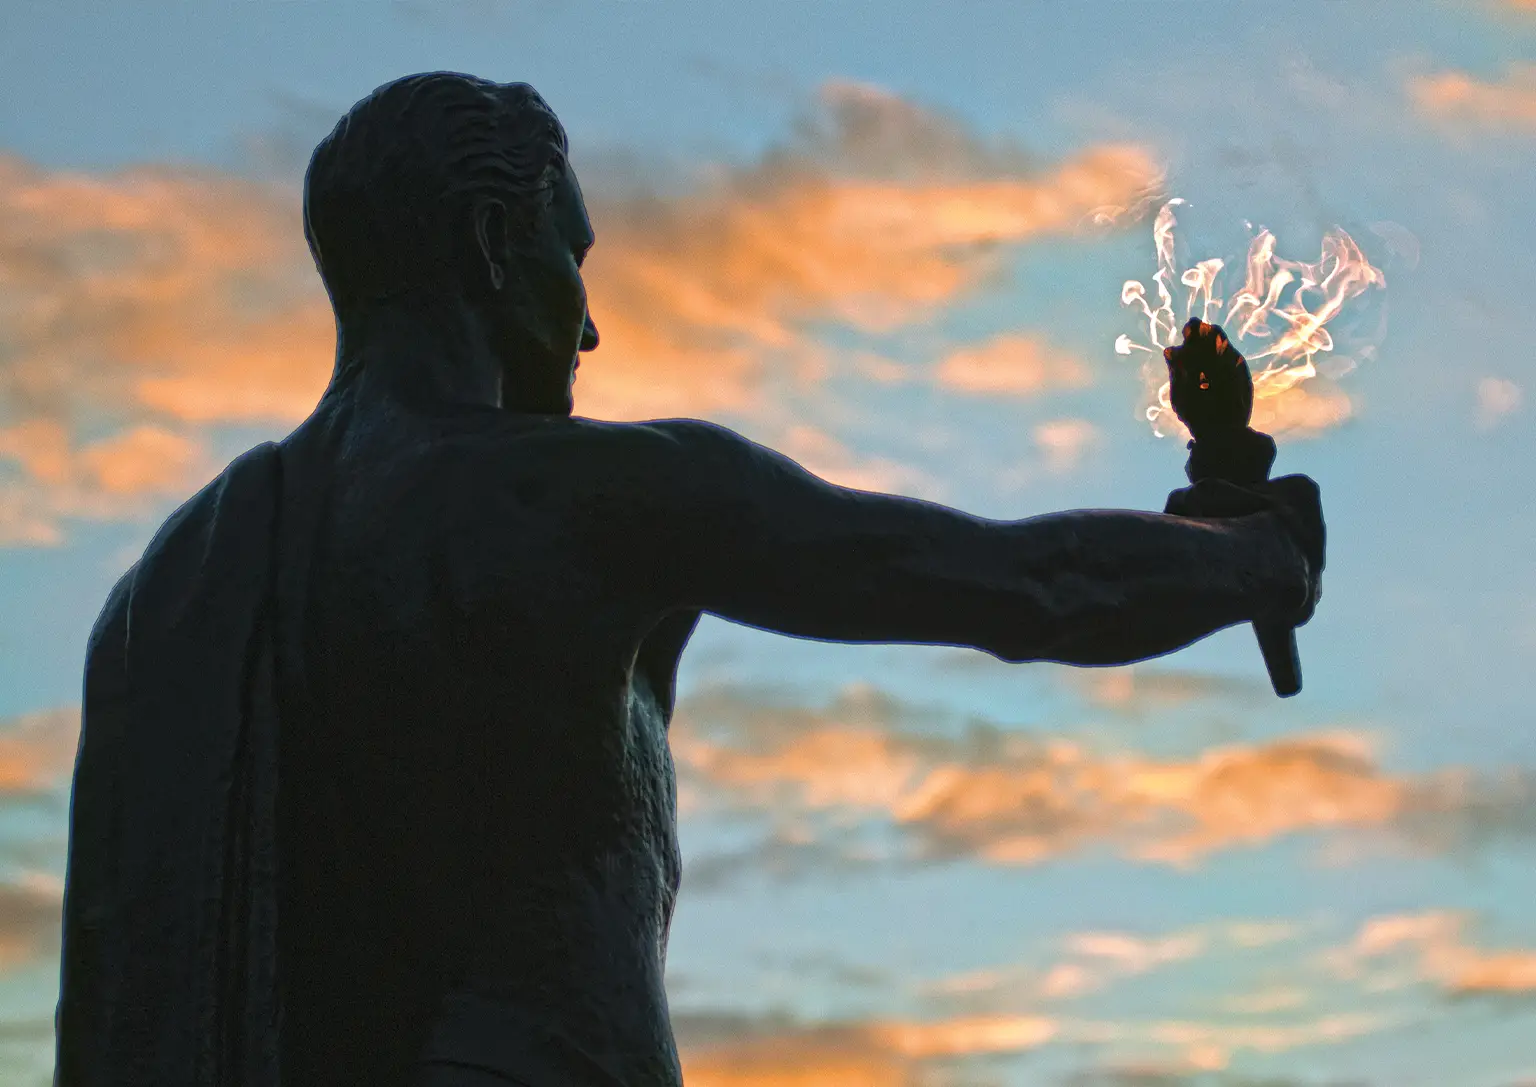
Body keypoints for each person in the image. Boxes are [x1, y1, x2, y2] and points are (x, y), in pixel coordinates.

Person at [56, 72, 1323, 1087]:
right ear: (496, 245)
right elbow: (1026, 585)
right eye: (574, 259)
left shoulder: (163, 598)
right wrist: (1256, 558)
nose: (591, 327)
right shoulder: (593, 499)